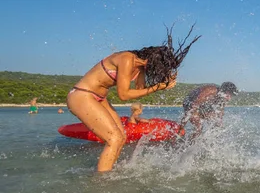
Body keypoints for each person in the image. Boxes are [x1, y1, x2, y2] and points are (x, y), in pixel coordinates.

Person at [67, 25, 200, 172]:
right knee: (114, 139)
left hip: (100, 98)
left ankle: (108, 170)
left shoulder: (141, 67)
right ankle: (102, 183)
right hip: (82, 95)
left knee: (122, 137)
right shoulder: (127, 59)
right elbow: (123, 95)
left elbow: (139, 91)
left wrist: (137, 112)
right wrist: (158, 87)